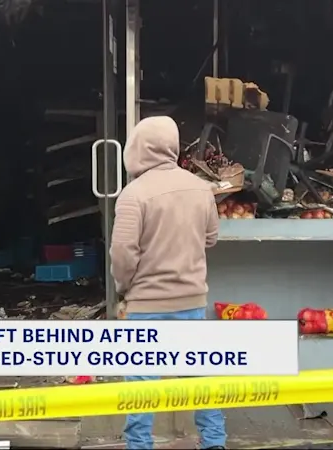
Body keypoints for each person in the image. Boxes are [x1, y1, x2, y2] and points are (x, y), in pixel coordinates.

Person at [109, 116, 225, 450]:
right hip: (191, 302)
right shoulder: (201, 188)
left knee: (142, 385)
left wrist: (123, 289)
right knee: (200, 379)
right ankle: (215, 442)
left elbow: (122, 255)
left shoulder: (133, 195)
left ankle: (140, 445)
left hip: (146, 305)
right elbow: (211, 238)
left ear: (139, 148)